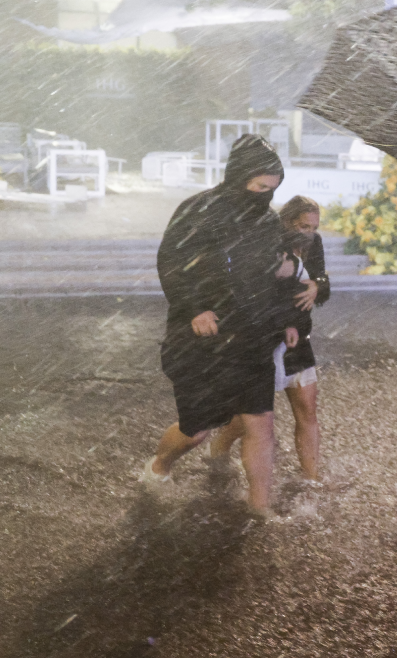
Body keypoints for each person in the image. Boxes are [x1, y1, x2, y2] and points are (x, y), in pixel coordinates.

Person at [141, 134, 301, 516]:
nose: (265, 196)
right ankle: (159, 465)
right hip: (202, 342)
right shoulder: (197, 210)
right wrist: (196, 308)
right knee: (196, 431)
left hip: (251, 338)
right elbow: (170, 263)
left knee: (261, 423)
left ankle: (260, 508)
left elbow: (275, 276)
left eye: (272, 190)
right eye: (260, 187)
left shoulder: (265, 221)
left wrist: (290, 295)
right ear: (238, 177)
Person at [211, 195, 329, 483]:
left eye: (314, 227)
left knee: (307, 408)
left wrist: (318, 285)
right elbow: (256, 294)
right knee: (252, 416)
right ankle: (221, 445)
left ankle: (311, 478)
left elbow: (322, 281)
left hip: (299, 337)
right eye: (303, 226)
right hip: (265, 338)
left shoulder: (315, 243)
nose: (309, 233)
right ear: (286, 221)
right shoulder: (267, 244)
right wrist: (283, 322)